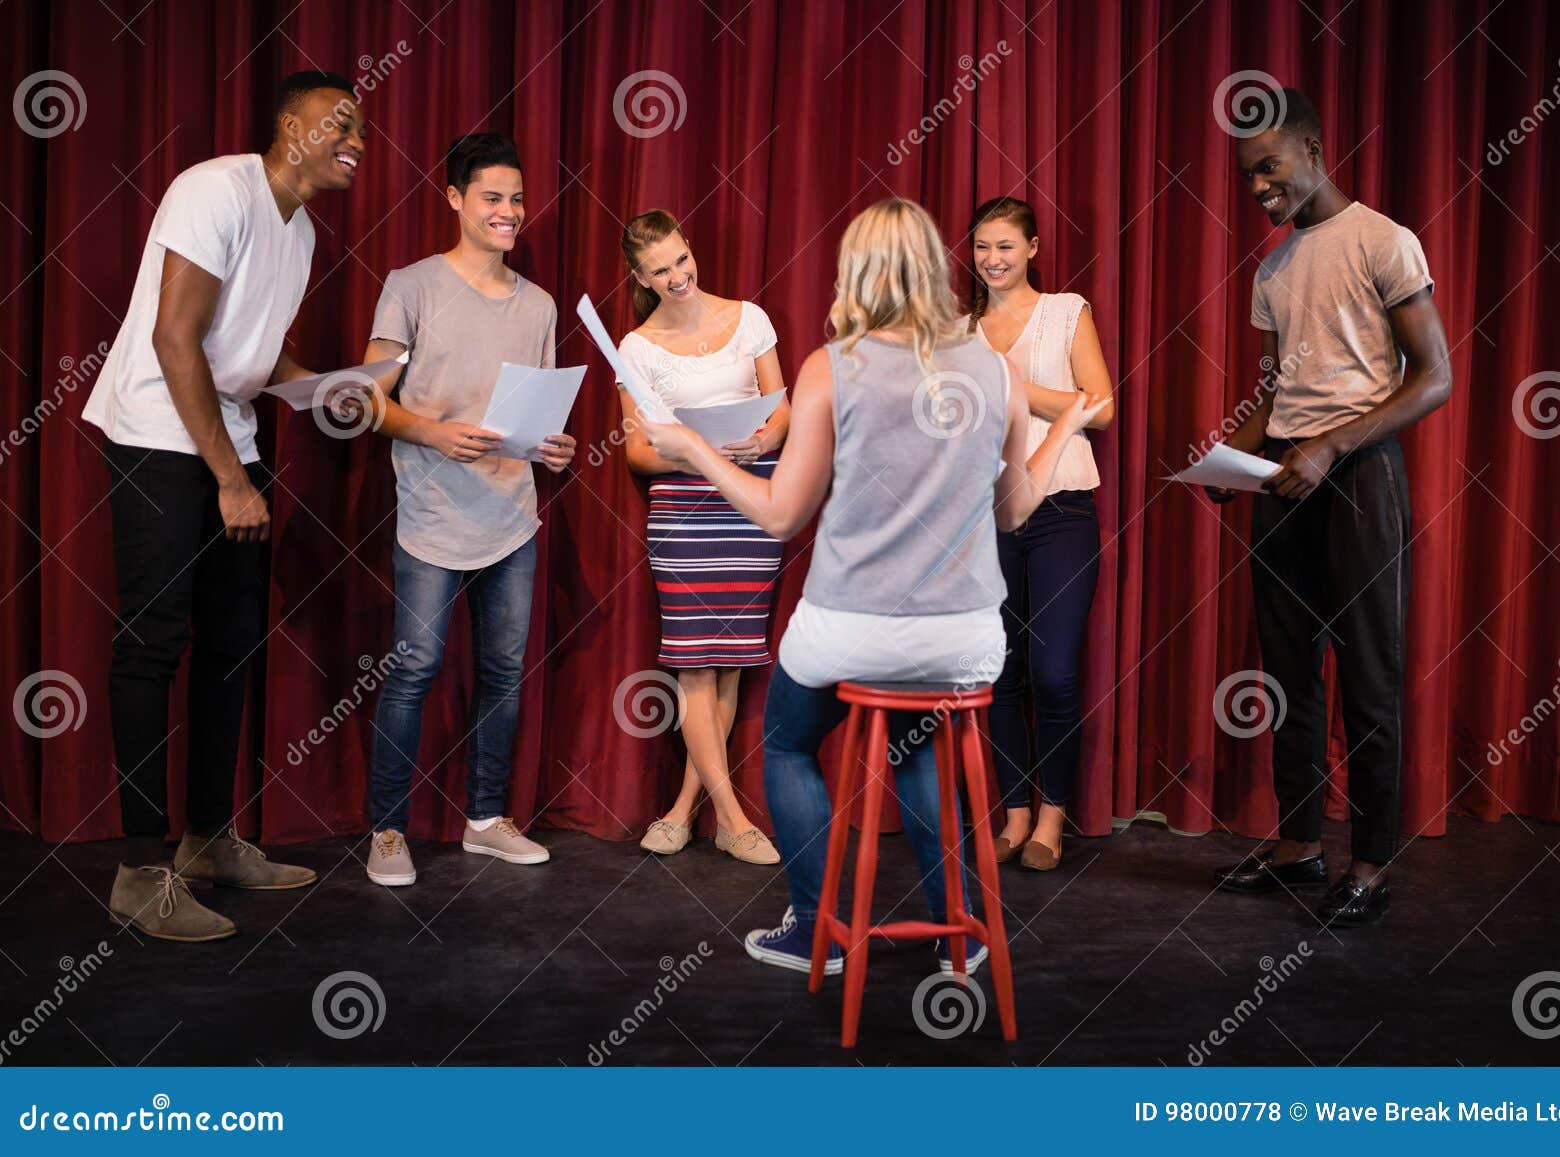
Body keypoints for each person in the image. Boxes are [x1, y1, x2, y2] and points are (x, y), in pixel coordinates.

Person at [640, 199, 1108, 974]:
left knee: (785, 741)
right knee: (917, 747)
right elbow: (1016, 507)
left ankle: (816, 927)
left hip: (851, 625)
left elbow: (781, 512)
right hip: (962, 637)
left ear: (855, 272)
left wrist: (694, 447)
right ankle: (956, 932)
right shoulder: (994, 368)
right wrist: (1061, 429)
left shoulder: (832, 366)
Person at [82, 71, 367, 941]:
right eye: (341, 123)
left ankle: (206, 838)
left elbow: (250, 353)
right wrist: (232, 481)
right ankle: (138, 867)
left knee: (231, 642)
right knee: (153, 641)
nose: (358, 139)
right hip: (155, 434)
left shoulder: (305, 231)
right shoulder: (216, 187)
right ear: (291, 127)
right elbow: (176, 336)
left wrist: (325, 391)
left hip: (224, 438)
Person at [1208, 88, 1451, 927]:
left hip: (1358, 474)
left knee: (1371, 678)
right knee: (1287, 676)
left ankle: (1372, 861)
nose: (1259, 187)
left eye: (1269, 167)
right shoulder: (1271, 266)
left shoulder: (1384, 240)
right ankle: (1299, 846)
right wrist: (1229, 455)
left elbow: (1435, 376)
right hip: (1282, 476)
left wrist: (1333, 444)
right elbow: (1274, 394)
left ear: (1312, 147)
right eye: (1247, 176)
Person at [359, 133, 576, 887]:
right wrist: (430, 431)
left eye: (516, 198)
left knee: (503, 671)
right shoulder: (411, 285)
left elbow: (536, 414)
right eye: (492, 197)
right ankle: (387, 830)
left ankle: (485, 819)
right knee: (414, 667)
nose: (508, 212)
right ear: (454, 199)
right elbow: (366, 400)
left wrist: (554, 449)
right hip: (430, 514)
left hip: (512, 516)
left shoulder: (539, 304)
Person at [615, 209, 789, 865]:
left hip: (750, 500)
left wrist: (764, 438)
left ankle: (686, 809)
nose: (677, 276)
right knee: (694, 663)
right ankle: (736, 819)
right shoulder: (634, 348)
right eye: (660, 271)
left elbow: (784, 408)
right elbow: (636, 451)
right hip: (685, 510)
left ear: (690, 245)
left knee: (729, 665)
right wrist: (696, 451)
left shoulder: (750, 317)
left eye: (680, 260)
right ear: (641, 277)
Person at [967, 196, 1115, 871]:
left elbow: (1103, 406)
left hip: (1061, 510)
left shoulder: (1066, 310)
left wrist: (1017, 388)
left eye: (1004, 245)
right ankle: (1014, 813)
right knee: (1001, 672)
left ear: (1031, 248)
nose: (992, 259)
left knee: (1054, 673)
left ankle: (1053, 815)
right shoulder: (961, 330)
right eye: (980, 248)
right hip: (986, 514)